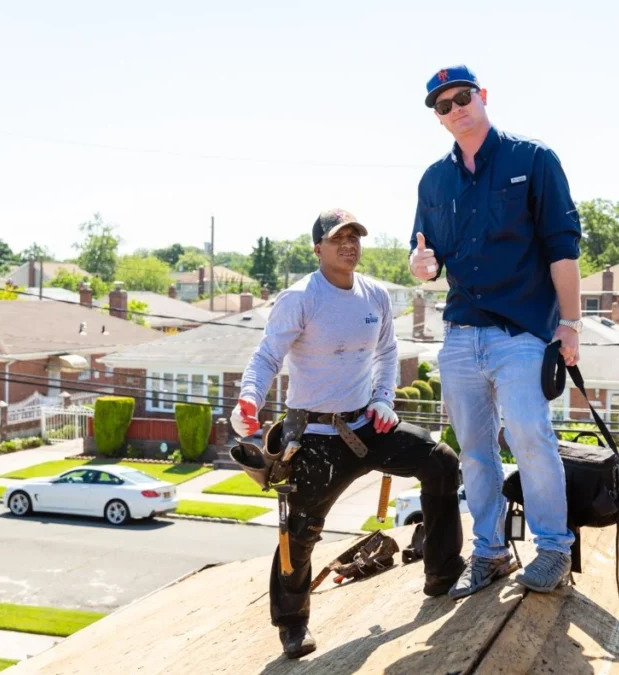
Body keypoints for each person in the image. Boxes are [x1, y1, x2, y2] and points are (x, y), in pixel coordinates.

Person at [231, 209, 465, 660]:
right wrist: (249, 398)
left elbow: (388, 351)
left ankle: (442, 572)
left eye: (355, 236)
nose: (349, 245)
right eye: (338, 238)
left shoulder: (374, 294)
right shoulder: (300, 297)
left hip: (368, 424)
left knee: (441, 462)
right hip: (316, 436)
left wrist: (383, 400)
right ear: (318, 248)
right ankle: (293, 625)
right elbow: (266, 357)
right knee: (298, 533)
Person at [408, 65, 583, 599]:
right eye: (443, 105)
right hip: (461, 333)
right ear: (437, 118)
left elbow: (562, 247)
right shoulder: (434, 181)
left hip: (522, 331)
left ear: (482, 96)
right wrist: (421, 266)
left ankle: (553, 548)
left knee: (530, 435)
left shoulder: (533, 160)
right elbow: (427, 258)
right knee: (474, 451)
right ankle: (489, 553)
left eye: (463, 97)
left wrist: (570, 323)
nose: (456, 108)